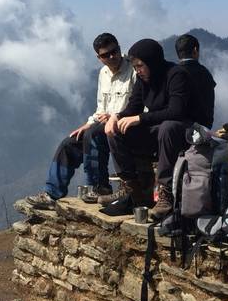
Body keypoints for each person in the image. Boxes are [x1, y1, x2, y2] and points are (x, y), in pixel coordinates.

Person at [25, 33, 136, 209]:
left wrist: (116, 116)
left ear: (119, 48)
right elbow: (101, 107)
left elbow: (139, 105)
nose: (112, 57)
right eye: (106, 55)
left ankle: (99, 187)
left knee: (93, 135)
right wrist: (89, 122)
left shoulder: (133, 70)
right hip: (102, 125)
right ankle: (52, 193)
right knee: (69, 143)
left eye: (114, 51)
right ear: (99, 58)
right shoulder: (104, 73)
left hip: (125, 127)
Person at [101, 39, 194, 219]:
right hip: (157, 130)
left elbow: (176, 111)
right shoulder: (144, 80)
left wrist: (140, 118)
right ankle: (132, 189)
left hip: (182, 130)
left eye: (140, 66)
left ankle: (165, 193)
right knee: (116, 131)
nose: (138, 71)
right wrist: (116, 117)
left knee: (168, 127)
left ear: (152, 61)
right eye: (135, 67)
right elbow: (133, 107)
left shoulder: (176, 75)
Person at [175, 34, 216, 129]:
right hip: (203, 128)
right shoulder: (205, 73)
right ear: (195, 50)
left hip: (177, 127)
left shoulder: (172, 74)